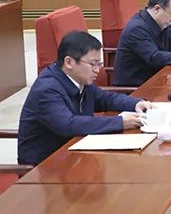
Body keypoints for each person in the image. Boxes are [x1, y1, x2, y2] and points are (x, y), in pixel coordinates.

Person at [18, 31, 150, 165]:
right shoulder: (47, 90)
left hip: (75, 155)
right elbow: (68, 125)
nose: (97, 70)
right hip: (44, 166)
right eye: (93, 64)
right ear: (69, 62)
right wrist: (119, 122)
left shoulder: (79, 79)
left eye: (99, 64)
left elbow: (105, 98)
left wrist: (135, 103)